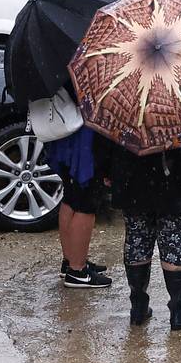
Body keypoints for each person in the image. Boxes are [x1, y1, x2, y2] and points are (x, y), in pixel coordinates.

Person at [104, 141, 181, 331]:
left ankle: (138, 307)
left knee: (137, 235)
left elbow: (107, 131)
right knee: (174, 238)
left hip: (130, 166)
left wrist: (107, 166)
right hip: (175, 167)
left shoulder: (125, 110)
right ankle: (178, 310)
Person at [48, 121, 112, 290]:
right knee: (86, 201)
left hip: (68, 130)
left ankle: (71, 261)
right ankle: (77, 271)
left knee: (71, 196)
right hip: (84, 138)